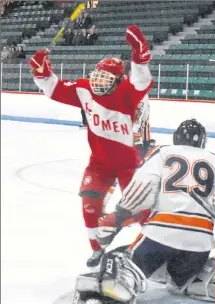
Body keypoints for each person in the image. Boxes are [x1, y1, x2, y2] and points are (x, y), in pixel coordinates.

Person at [72, 119, 215, 304]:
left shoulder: (162, 153)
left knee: (122, 259)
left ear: (176, 138)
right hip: (199, 244)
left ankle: (119, 285)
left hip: (160, 236)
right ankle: (198, 279)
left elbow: (142, 191)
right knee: (182, 274)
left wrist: (120, 215)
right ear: (202, 141)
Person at [29, 25, 154, 267]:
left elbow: (141, 80)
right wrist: (42, 74)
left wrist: (140, 57)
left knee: (142, 210)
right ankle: (97, 249)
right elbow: (53, 89)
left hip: (129, 163)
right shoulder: (85, 89)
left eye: (105, 78)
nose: (97, 82)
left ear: (119, 80)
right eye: (97, 75)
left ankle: (153, 247)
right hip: (99, 162)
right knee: (89, 202)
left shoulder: (128, 92)